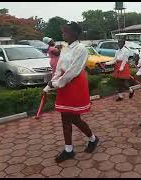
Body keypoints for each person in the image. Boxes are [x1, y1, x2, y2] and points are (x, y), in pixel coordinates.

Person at [43, 22, 99, 163]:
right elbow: (59, 69)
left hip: (74, 84)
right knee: (64, 118)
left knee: (74, 118)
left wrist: (56, 83)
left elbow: (73, 72)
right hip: (63, 83)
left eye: (66, 32)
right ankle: (69, 149)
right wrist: (50, 85)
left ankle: (93, 138)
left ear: (75, 33)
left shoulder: (81, 49)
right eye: (63, 32)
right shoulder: (65, 48)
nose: (63, 34)